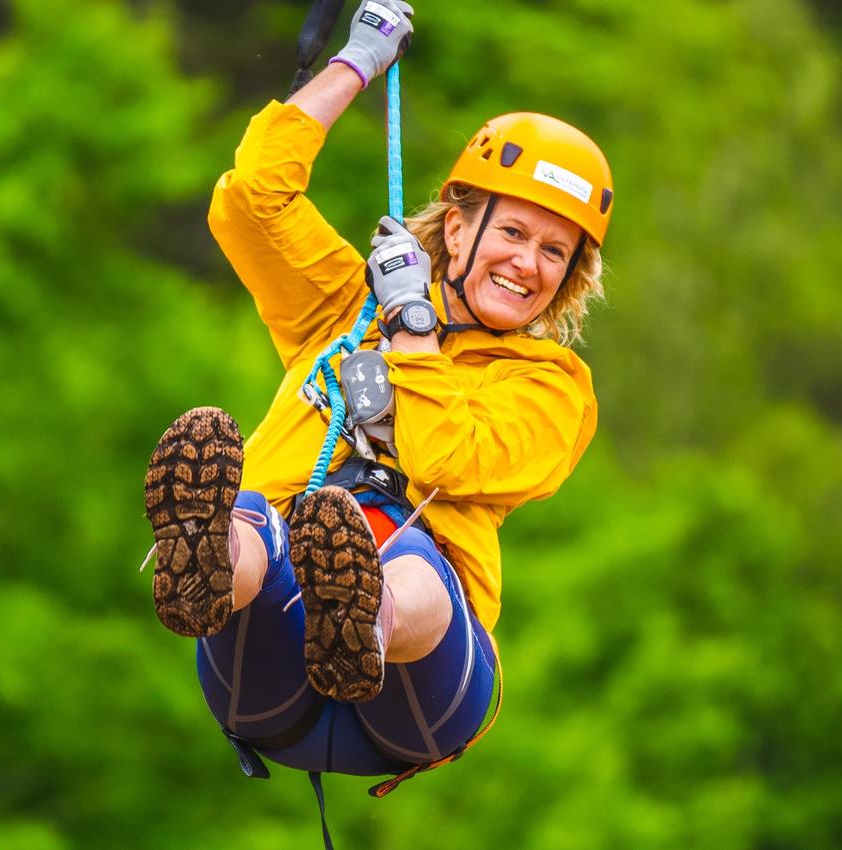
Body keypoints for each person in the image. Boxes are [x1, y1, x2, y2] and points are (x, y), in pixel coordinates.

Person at [144, 0, 612, 779]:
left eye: (555, 251)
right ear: (458, 228)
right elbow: (249, 201)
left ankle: (362, 617)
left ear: (569, 278)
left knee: (417, 561)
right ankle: (208, 558)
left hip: (421, 692)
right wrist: (353, 62)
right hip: (266, 664)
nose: (529, 264)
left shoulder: (553, 390)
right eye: (514, 233)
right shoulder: (345, 307)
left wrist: (415, 330)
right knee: (253, 515)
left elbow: (445, 455)